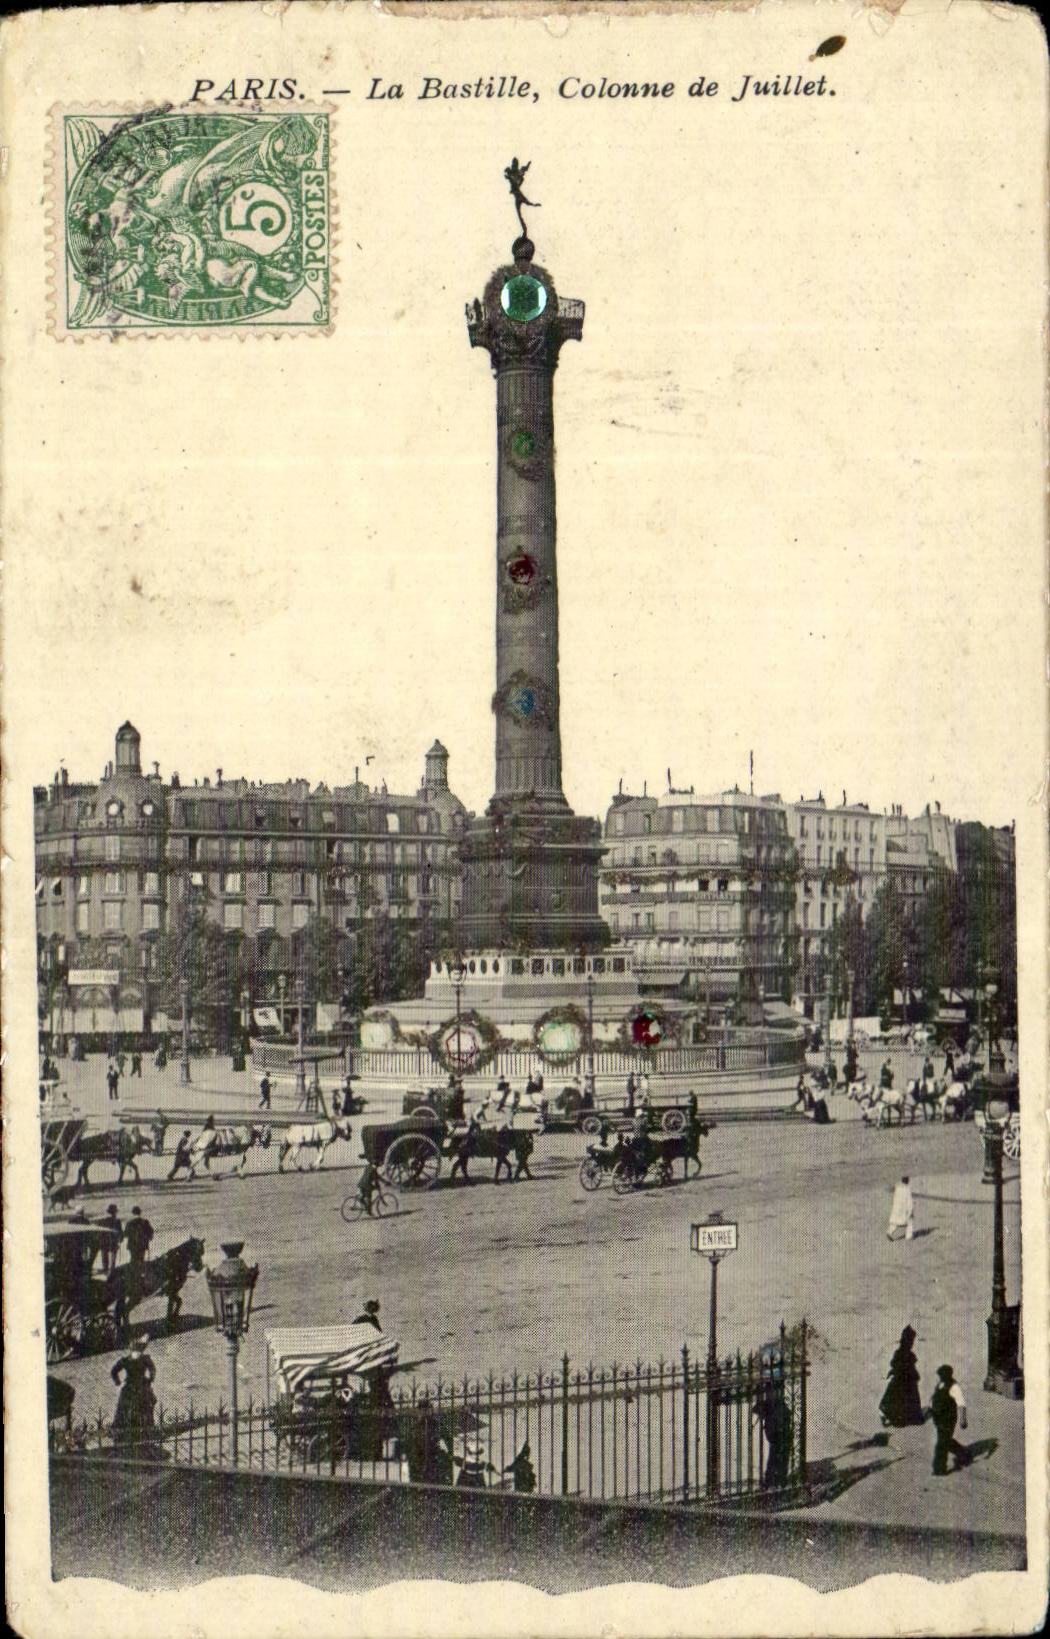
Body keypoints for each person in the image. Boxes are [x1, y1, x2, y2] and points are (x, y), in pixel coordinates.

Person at [111, 1336, 157, 1444]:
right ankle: (128, 1433)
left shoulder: (142, 1359)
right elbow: (114, 1371)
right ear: (132, 1351)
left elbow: (152, 1369)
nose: (138, 1353)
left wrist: (150, 1379)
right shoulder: (127, 1360)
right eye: (136, 1351)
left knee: (141, 1408)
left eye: (139, 1351)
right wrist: (118, 1383)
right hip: (132, 1387)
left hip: (138, 1386)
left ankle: (142, 1433)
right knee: (128, 1409)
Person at [878, 1325, 925, 1427]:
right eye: (911, 1340)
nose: (912, 1343)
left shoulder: (905, 1352)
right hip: (902, 1380)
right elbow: (895, 1363)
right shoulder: (901, 1352)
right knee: (901, 1399)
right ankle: (900, 1417)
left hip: (906, 1380)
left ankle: (903, 1417)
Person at [927, 1364, 969, 1476]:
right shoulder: (940, 1384)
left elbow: (961, 1404)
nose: (940, 1377)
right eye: (940, 1375)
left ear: (948, 1375)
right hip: (938, 1418)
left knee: (941, 1443)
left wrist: (963, 1420)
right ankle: (963, 1453)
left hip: (948, 1419)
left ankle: (939, 1469)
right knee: (945, 1440)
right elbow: (933, 1399)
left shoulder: (954, 1387)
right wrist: (929, 1410)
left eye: (942, 1375)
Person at [887, 1176, 915, 1242]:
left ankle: (889, 1232)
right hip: (904, 1210)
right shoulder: (907, 1189)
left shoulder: (898, 1188)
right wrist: (911, 1210)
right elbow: (909, 1201)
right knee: (909, 1222)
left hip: (896, 1209)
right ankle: (909, 1236)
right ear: (907, 1181)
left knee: (895, 1222)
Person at [97, 1204, 123, 1273]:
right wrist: (120, 1239)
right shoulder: (117, 1221)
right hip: (113, 1241)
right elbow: (119, 1231)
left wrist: (99, 1240)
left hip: (104, 1241)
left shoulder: (102, 1220)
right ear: (114, 1213)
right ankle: (112, 1268)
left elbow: (99, 1232)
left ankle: (105, 1268)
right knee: (113, 1254)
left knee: (104, 1254)